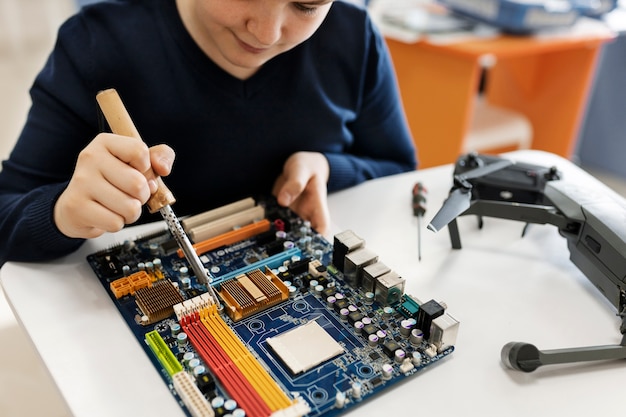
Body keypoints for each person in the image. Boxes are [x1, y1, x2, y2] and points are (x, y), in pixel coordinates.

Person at [0, 0, 416, 266]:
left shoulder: (355, 38)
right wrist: (62, 212)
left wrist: (329, 167)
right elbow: (7, 209)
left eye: (306, 5)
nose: (266, 32)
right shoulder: (96, 44)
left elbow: (401, 171)